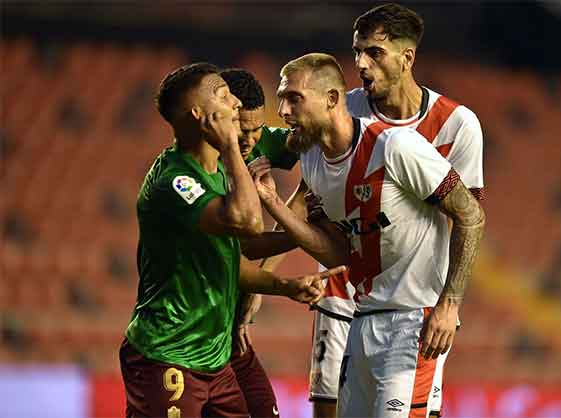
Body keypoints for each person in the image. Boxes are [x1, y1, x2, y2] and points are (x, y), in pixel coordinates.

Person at [248, 53, 485, 418]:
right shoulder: (314, 160)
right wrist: (273, 203)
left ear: (330, 99)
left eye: (294, 98)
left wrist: (449, 303)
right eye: (282, 98)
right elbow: (340, 254)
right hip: (362, 320)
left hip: (413, 322)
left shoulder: (394, 147)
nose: (283, 110)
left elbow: (471, 214)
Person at [119, 62, 344, 418]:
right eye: (225, 98)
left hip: (216, 352)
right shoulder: (178, 183)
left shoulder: (223, 161)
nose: (236, 106)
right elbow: (249, 225)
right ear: (201, 115)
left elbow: (232, 260)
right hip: (168, 354)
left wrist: (284, 283)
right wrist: (230, 149)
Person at [303, 4, 487, 417]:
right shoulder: (342, 110)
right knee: (329, 408)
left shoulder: (457, 125)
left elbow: (469, 216)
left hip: (411, 302)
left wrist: (450, 302)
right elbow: (304, 195)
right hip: (345, 289)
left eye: (374, 53)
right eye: (357, 53)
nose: (361, 64)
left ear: (407, 58)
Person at [220, 67, 302, 418]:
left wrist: (259, 286)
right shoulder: (198, 166)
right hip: (197, 332)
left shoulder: (262, 140)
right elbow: (244, 245)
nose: (251, 140)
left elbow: (321, 160)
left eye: (257, 129)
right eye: (242, 129)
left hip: (234, 333)